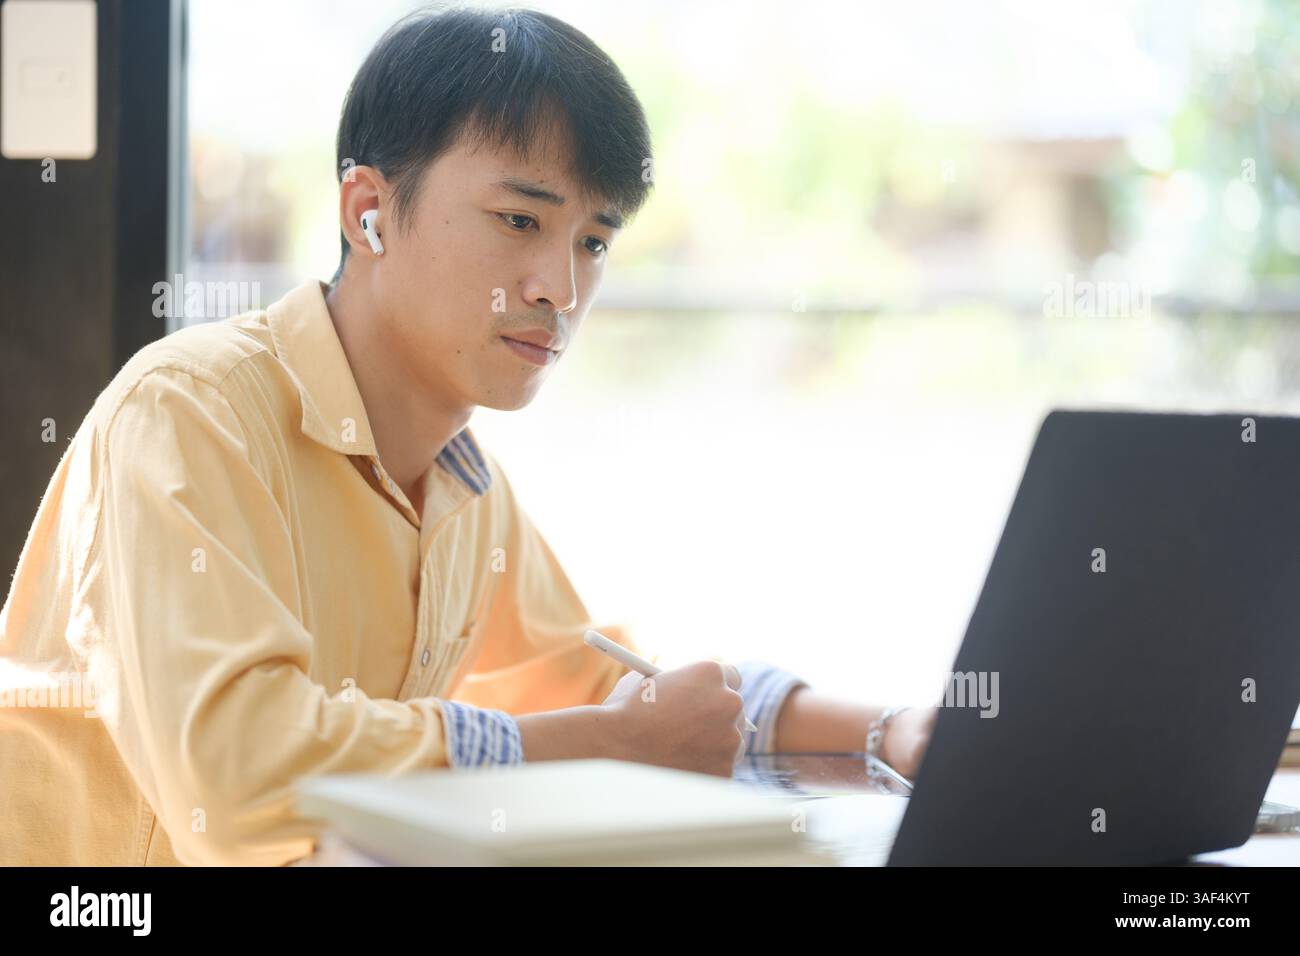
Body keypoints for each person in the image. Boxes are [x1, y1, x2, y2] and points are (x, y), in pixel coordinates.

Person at [0, 6, 934, 866]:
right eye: (519, 219)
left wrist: (887, 731)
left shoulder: (461, 483)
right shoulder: (189, 412)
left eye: (593, 242)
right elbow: (238, 780)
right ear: (367, 211)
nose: (559, 290)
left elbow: (607, 681)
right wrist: (601, 744)